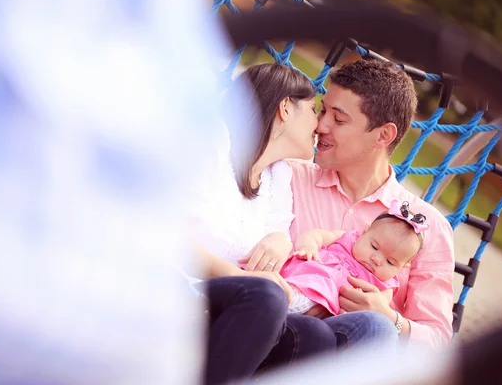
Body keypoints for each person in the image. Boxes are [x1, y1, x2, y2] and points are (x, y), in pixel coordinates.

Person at [289, 59, 454, 350]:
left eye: (339, 120)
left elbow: (438, 342)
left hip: (353, 361)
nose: (321, 126)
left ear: (383, 135)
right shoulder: (289, 177)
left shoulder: (428, 226)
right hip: (278, 335)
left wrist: (390, 319)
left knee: (374, 328)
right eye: (323, 111)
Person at [187, 63, 338, 383]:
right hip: (179, 284)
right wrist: (252, 279)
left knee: (315, 335)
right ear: (285, 107)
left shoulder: (277, 176)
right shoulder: (213, 143)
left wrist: (280, 241)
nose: (320, 125)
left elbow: (278, 231)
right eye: (314, 110)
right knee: (265, 295)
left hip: (230, 303)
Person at [282, 200, 428, 316]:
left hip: (329, 308)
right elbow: (316, 235)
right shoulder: (347, 238)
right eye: (374, 247)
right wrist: (309, 248)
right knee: (289, 291)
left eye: (390, 262)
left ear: (403, 266)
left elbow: (376, 310)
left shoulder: (386, 287)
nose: (377, 259)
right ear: (364, 232)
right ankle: (285, 300)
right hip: (303, 277)